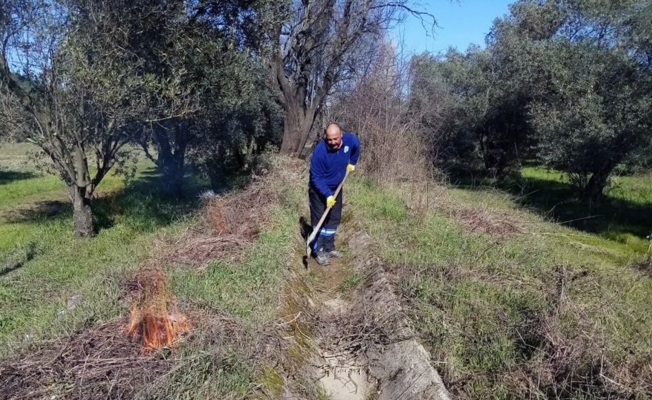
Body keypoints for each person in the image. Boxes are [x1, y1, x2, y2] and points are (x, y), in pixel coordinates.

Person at [309, 123, 360, 266]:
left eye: (335, 139)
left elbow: (357, 147)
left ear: (341, 135)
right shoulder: (320, 152)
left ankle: (329, 247)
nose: (332, 142)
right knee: (320, 219)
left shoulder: (351, 140)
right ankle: (318, 250)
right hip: (319, 189)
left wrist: (353, 162)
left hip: (337, 187)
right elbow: (316, 178)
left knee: (334, 218)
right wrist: (327, 195)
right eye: (329, 139)